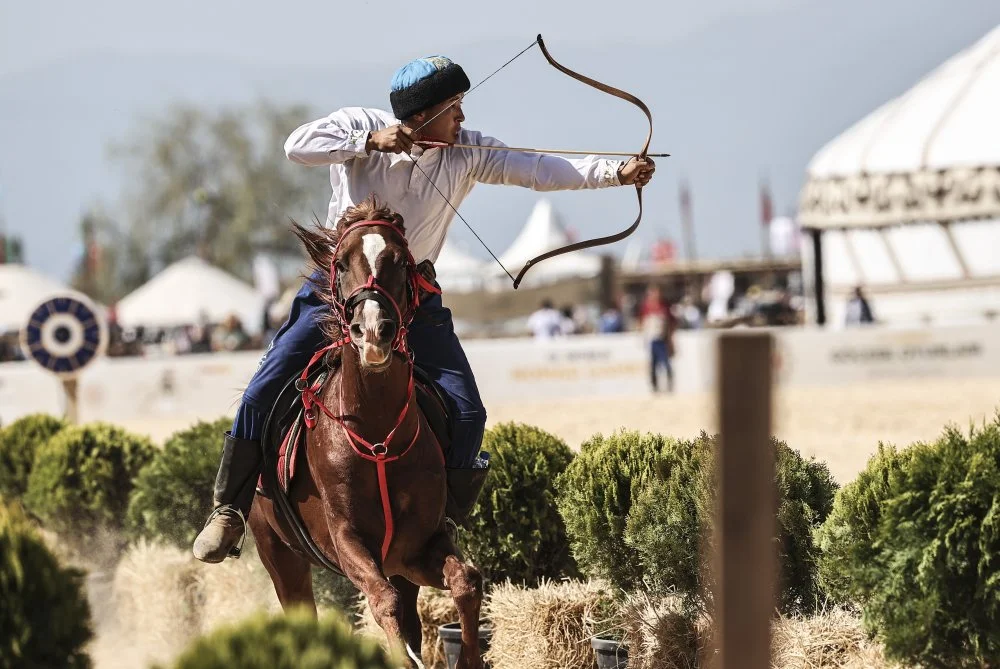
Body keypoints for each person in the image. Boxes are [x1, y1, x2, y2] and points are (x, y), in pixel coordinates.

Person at [192, 53, 656, 563]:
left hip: (414, 296)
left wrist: (617, 171)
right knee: (265, 387)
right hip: (339, 292)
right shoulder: (360, 127)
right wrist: (370, 142)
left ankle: (440, 526)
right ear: (423, 113)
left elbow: (539, 167)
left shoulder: (469, 150)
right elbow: (295, 146)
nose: (461, 117)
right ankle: (229, 510)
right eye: (453, 107)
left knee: (467, 411)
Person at [639, 285, 676, 393]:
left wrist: (670, 338)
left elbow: (671, 322)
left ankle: (669, 386)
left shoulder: (664, 306)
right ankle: (654, 388)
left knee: (666, 363)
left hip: (662, 339)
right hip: (652, 340)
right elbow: (642, 322)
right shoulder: (646, 307)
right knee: (653, 365)